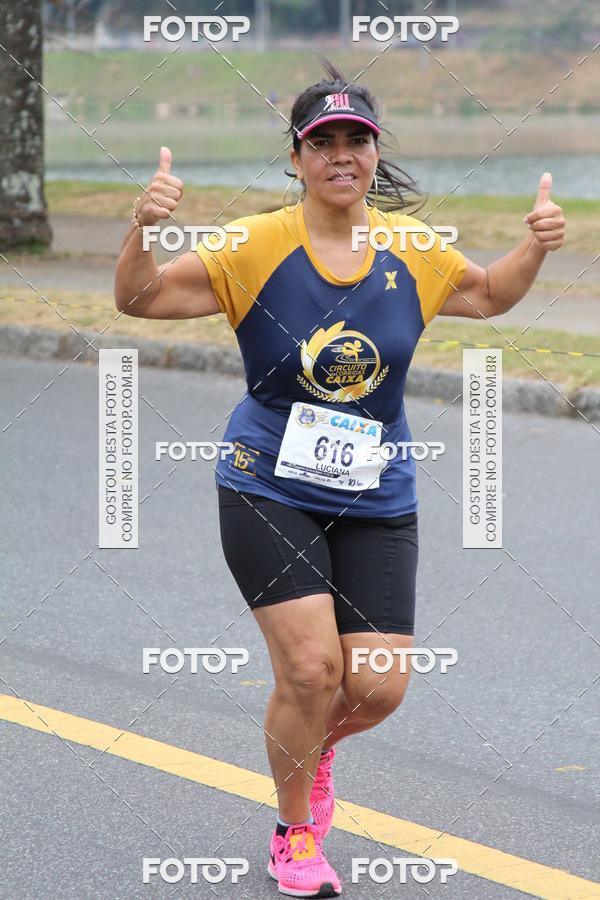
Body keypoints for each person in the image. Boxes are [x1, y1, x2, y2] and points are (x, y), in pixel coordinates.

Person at [114, 59, 565, 900]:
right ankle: (294, 833)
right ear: (297, 158)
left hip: (377, 491)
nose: (342, 155)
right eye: (323, 142)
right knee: (311, 672)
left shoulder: (413, 249)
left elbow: (489, 295)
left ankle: (310, 747)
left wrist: (533, 247)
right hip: (268, 484)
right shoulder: (252, 245)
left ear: (375, 152)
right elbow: (140, 300)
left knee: (379, 688)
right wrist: (143, 228)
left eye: (357, 139)